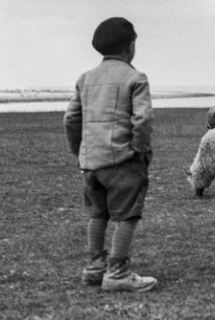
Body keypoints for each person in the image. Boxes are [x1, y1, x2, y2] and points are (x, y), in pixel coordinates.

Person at [63, 17, 157, 292]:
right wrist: (140, 150)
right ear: (130, 47)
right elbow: (142, 119)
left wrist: (79, 150)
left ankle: (95, 268)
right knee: (127, 215)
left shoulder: (86, 78)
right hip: (122, 160)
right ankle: (117, 273)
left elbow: (70, 119)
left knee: (97, 214)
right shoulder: (135, 78)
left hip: (91, 162)